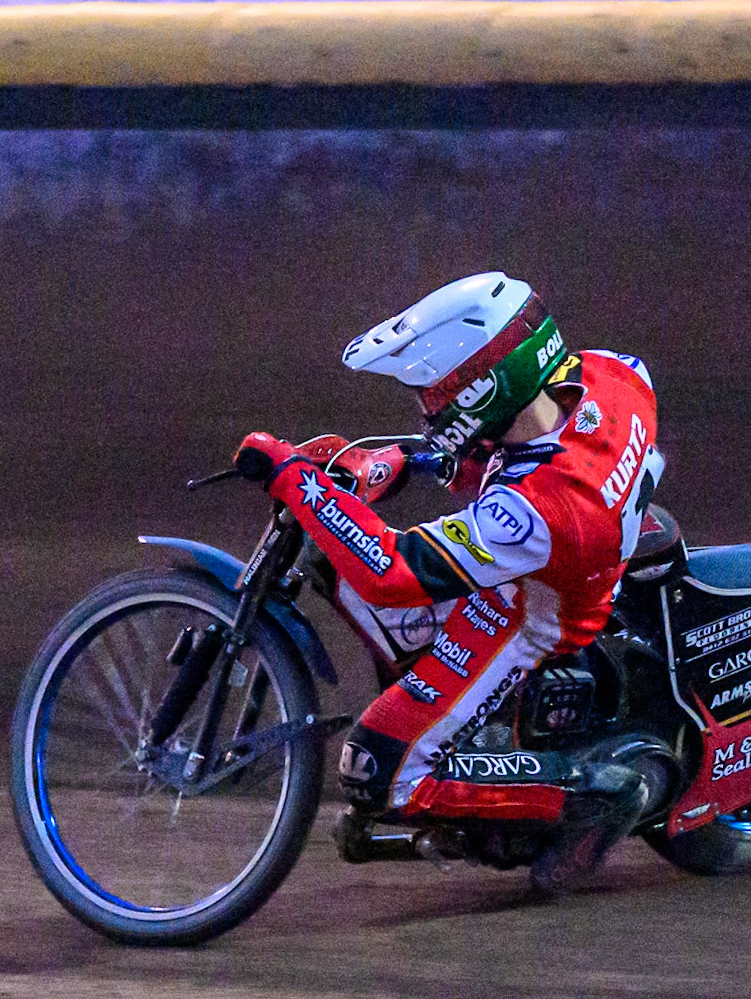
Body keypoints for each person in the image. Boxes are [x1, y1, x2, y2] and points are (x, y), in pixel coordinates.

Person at [233, 272, 665, 890]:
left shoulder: (534, 511)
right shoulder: (614, 375)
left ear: (485, 386)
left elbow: (392, 570)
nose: (426, 406)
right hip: (579, 551)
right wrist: (424, 458)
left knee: (376, 766)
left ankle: (595, 796)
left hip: (530, 614)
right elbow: (528, 445)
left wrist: (296, 479)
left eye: (436, 393)